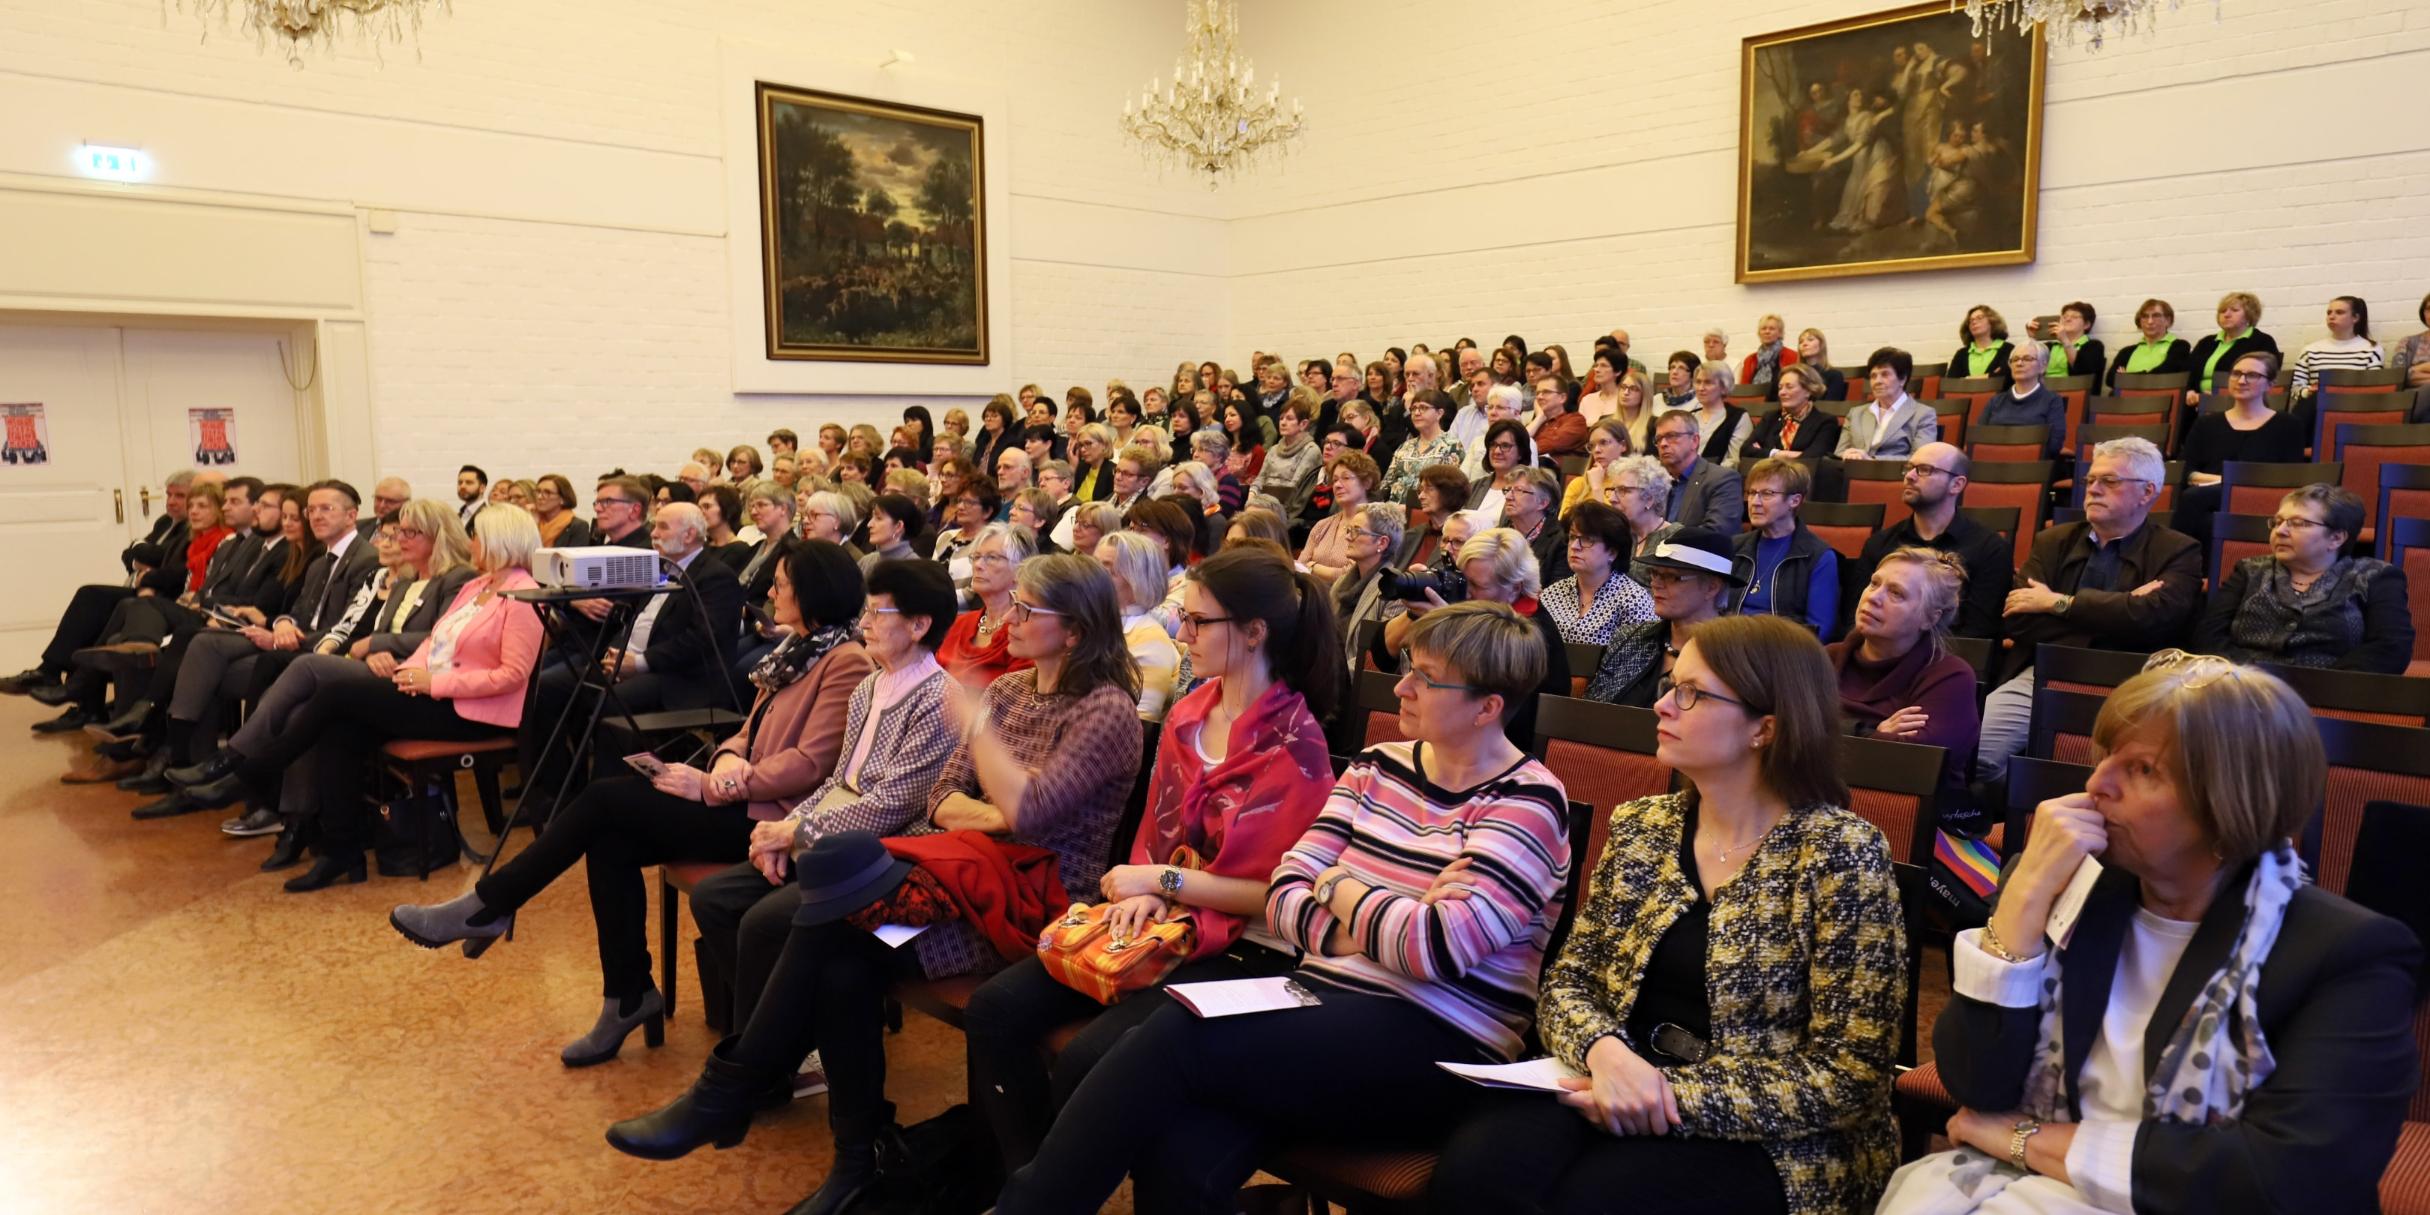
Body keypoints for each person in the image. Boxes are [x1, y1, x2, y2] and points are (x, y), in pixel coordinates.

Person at [993, 601, 1573, 1215]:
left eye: (1425, 679)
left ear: (1487, 707)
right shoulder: (1378, 767)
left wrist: (1338, 886)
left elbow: (1433, 948)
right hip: (1318, 1000)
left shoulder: (1529, 802)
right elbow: (1285, 892)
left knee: (1174, 1035)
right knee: (1179, 1151)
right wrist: (1380, 906)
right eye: (1409, 667)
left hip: (1442, 1038)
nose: (1401, 686)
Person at [609, 556, 1145, 1215]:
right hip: (959, 881)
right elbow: (945, 795)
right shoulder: (1008, 692)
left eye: (1030, 611)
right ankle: (850, 1157)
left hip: (1032, 908)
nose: (1012, 619)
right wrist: (997, 807)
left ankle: (736, 1089)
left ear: (1077, 629)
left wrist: (995, 781)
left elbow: (1031, 816)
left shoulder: (1106, 710)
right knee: (840, 961)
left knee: (835, 927)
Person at [1883, 653, 2422, 1215]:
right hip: (2036, 1188)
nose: (2096, 783)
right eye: (2106, 756)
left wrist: (2028, 1140)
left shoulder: (2345, 953)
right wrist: (2019, 906)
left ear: (2229, 803)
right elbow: (1976, 1085)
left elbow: (2285, 1178)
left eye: (2142, 770)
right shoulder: (2076, 891)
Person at [1431, 615, 1906, 1215]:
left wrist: (1660, 1093)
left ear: (1766, 728)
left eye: (1691, 693)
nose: (1661, 706)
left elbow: (1850, 1072)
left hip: (1774, 1134)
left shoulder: (1840, 853)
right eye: (1668, 684)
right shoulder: (1642, 826)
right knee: (1477, 1173)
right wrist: (1607, 1055)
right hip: (1610, 1077)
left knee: (1597, 1201)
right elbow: (1570, 982)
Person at [388, 541, 875, 1062]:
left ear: (814, 592)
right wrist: (728, 758)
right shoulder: (799, 648)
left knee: (604, 803)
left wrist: (716, 784)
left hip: (775, 822)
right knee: (611, 838)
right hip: (743, 795)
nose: (772, 592)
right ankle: (625, 994)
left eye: (782, 584)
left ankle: (493, 905)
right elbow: (746, 730)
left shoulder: (844, 660)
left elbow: (810, 764)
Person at [964, 547, 1339, 1176]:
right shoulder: (1191, 712)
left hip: (1239, 946)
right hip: (1161, 914)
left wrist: (1160, 883)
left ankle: (1044, 1187)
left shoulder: (1295, 745)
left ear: (1254, 632)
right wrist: (1147, 889)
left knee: (1092, 1058)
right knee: (996, 1009)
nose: (1182, 634)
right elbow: (1154, 839)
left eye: (1198, 623)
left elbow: (1272, 893)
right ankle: (1020, 1174)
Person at [210, 505, 545, 890]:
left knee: (335, 691)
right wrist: (408, 674)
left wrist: (433, 684)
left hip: (472, 713)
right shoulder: (477, 587)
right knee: (341, 728)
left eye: (478, 535)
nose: (471, 543)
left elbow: (512, 675)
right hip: (431, 692)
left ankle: (258, 767)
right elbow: (435, 640)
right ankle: (342, 852)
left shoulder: (524, 595)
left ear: (500, 541)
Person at [1976, 437, 2202, 785]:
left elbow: (2156, 622)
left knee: (2130, 780)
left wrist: (2058, 603)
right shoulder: (2053, 541)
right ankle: (2030, 800)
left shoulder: (2178, 550)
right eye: (2090, 480)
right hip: (2046, 672)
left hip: (2133, 682)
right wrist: (2124, 607)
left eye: (2109, 481)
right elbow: (2019, 620)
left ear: (2147, 492)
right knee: (1974, 755)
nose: (2093, 489)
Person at [1833, 547, 1984, 829]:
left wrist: (1824, 729)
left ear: (1930, 618)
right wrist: (1872, 733)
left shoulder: (1949, 677)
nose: (1873, 597)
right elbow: (1777, 732)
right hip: (1820, 815)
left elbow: (1910, 767)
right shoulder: (1823, 659)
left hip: (1911, 830)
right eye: (1874, 583)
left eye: (1896, 593)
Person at [1382, 526, 1570, 749]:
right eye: (1463, 580)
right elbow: (1383, 655)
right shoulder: (1473, 609)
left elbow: (1501, 717)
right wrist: (1414, 613)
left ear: (1514, 588)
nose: (1466, 593)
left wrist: (1449, 626)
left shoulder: (1532, 634)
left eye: (1478, 586)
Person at [2194, 485, 2413, 672]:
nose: (2281, 531)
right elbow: (2209, 635)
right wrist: (2254, 678)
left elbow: (2391, 648)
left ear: (2336, 538)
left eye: (2298, 523)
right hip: (2245, 690)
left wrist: (2318, 684)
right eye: (2278, 521)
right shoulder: (2249, 570)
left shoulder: (2376, 577)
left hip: (2332, 698)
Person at [1844, 443, 2014, 640]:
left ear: (1956, 484)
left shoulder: (1990, 548)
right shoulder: (1880, 543)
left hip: (1948, 662)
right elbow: (1855, 618)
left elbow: (1978, 634)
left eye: (1924, 470)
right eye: (1909, 468)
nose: (1910, 476)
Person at [1587, 528, 1740, 708]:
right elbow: (1591, 710)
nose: (1655, 584)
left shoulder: (1735, 657)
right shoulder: (1630, 639)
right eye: (1655, 573)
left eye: (1671, 576)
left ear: (1712, 587)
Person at [1729, 458, 1840, 639]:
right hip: (1726, 646)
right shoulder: (1735, 547)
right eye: (1751, 492)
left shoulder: (1818, 556)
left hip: (1781, 656)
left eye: (1767, 493)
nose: (1754, 502)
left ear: (1794, 501)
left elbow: (1819, 630)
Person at [936, 523, 1039, 690]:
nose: (978, 565)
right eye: (976, 557)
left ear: (1020, 570)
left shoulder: (1023, 632)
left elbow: (1013, 701)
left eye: (992, 557)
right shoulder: (959, 624)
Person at [1095, 530, 1183, 721]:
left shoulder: (1150, 641)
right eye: (1093, 567)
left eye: (1107, 571)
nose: (1091, 577)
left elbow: (1136, 726)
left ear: (1139, 582)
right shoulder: (1087, 624)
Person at [1541, 499, 1656, 647]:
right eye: (1573, 537)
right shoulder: (1552, 594)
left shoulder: (1633, 601)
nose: (1575, 546)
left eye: (1587, 540)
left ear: (1612, 552)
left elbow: (1637, 662)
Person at [1652, 409, 1746, 535]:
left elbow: (1717, 532)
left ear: (1695, 441)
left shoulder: (1722, 479)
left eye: (1672, 436)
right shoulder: (1655, 480)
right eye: (1659, 439)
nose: (1663, 444)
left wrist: (1668, 541)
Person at [1838, 347, 1939, 460]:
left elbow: (1921, 458)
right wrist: (1846, 455)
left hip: (1897, 476)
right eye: (1873, 376)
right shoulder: (1855, 413)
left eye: (1885, 374)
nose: (1877, 381)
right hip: (1854, 475)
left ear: (1902, 379)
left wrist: (1872, 460)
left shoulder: (1923, 414)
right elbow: (1839, 453)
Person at [2183, 290, 2279, 405]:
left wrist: (2219, 396)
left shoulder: (2262, 341)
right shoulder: (2206, 342)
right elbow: (2188, 372)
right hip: (2195, 403)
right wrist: (2189, 391)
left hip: (2238, 403)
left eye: (2234, 310)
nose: (2226, 314)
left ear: (2249, 315)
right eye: (2223, 311)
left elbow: (2265, 378)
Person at [1979, 341, 2070, 461]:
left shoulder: (2052, 401)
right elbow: (1979, 440)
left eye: (2027, 358)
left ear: (2043, 366)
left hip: (2032, 467)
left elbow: (2054, 445)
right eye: (2015, 359)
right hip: (1995, 464)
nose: (2019, 363)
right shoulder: (1995, 401)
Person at [1302, 450, 1380, 584]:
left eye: (1346, 478)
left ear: (1367, 482)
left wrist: (1312, 566)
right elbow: (1300, 565)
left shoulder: (1374, 525)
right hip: (1314, 596)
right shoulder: (1323, 525)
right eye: (1335, 480)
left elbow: (1349, 575)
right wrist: (1308, 567)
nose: (1337, 485)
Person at [2287, 294, 2383, 402]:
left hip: (2354, 405)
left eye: (2339, 312)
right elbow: (2295, 387)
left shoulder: (2371, 349)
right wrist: (2307, 392)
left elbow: (2373, 388)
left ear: (2355, 317)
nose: (2331, 316)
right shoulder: (2310, 350)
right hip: (2317, 405)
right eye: (2329, 313)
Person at [1738, 363, 1842, 462]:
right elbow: (1745, 450)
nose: (1782, 392)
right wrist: (1781, 454)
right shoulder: (1770, 418)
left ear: (1808, 390)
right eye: (1780, 388)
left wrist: (1765, 452)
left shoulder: (1825, 422)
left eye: (1789, 387)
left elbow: (1813, 458)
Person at [1380, 388, 1464, 504]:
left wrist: (1409, 509)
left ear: (1439, 413)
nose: (1417, 413)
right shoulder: (1405, 446)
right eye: (1413, 408)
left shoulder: (1451, 446)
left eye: (1423, 408)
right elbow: (1385, 485)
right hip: (1394, 513)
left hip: (1427, 512)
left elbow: (1448, 491)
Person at [1253, 397, 1324, 521]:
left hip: (1288, 512)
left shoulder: (1311, 450)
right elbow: (1260, 479)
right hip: (1264, 506)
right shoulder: (1274, 449)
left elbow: (1293, 488)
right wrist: (1252, 499)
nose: (1283, 422)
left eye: (1289, 418)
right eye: (1281, 418)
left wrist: (1265, 506)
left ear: (1303, 424)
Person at [2106, 298, 2193, 392]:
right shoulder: (2126, 352)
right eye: (2145, 316)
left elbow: (2164, 374)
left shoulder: (2180, 346)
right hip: (2126, 403)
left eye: (2156, 316)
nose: (2150, 321)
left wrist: (2127, 378)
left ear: (2168, 320)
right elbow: (2110, 379)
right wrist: (2143, 379)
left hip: (2162, 403)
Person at [1504, 467, 1570, 584]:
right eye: (1508, 490)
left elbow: (1555, 592)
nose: (1508, 496)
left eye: (1518, 491)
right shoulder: (1501, 533)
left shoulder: (1561, 541)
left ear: (1542, 503)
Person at [1688, 365, 1751, 467]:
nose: (1700, 388)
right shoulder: (1690, 416)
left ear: (1724, 387)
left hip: (1718, 478)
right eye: (1698, 382)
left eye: (1708, 382)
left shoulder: (1738, 417)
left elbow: (1734, 461)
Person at [2031, 300, 2106, 382]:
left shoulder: (2094, 346)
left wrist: (2065, 340)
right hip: (2044, 390)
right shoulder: (2049, 346)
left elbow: (2083, 372)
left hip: (2073, 390)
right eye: (2065, 316)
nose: (2068, 319)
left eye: (2074, 317)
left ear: (2086, 325)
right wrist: (2032, 337)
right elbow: (2029, 367)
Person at [1949, 303, 2018, 390]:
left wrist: (1967, 379)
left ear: (1992, 321)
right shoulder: (1961, 354)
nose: (1974, 322)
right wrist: (1991, 375)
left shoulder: (2009, 349)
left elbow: (2006, 378)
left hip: (2000, 401)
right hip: (1965, 402)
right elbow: (1951, 383)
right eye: (1970, 321)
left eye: (1979, 318)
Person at [1736, 312, 1798, 394]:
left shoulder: (1792, 356)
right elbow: (1744, 391)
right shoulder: (1750, 360)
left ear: (1780, 333)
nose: (1767, 331)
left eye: (1772, 329)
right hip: (1754, 404)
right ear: (1759, 333)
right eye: (1763, 328)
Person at [532, 474, 591, 548]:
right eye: (538, 491)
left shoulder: (578, 526)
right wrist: (531, 523)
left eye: (547, 493)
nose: (539, 497)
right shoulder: (533, 522)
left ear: (562, 499)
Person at [1796, 328, 1849, 402]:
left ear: (1821, 345)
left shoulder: (1834, 375)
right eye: (1801, 342)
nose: (1804, 344)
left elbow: (1830, 406)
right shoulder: (1795, 375)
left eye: (1810, 340)